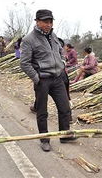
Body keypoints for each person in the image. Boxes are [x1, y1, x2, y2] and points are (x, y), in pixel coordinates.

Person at [20, 9, 75, 152]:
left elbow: (59, 51)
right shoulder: (29, 40)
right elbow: (24, 63)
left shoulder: (53, 36)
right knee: (42, 112)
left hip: (57, 78)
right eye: (45, 21)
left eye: (50, 21)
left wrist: (62, 62)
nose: (49, 24)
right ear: (37, 22)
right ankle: (44, 139)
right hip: (42, 80)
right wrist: (36, 78)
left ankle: (64, 135)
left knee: (64, 108)